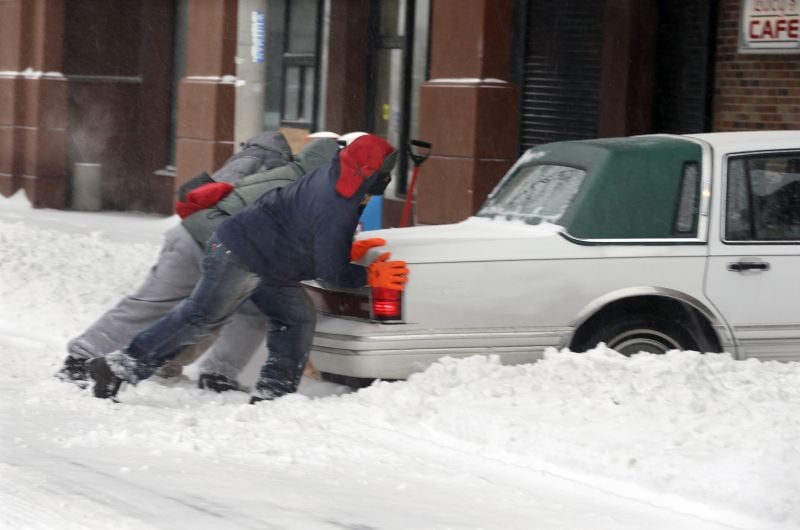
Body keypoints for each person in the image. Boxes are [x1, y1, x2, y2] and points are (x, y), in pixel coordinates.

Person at [86, 133, 408, 403]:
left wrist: (341, 248)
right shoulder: (339, 202)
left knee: (295, 318)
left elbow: (311, 234)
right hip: (239, 253)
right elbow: (330, 274)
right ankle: (118, 367)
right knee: (200, 318)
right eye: (386, 172)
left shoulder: (337, 177)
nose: (389, 179)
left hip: (269, 262)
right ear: (373, 173)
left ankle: (274, 395)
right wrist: (369, 275)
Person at [57, 132, 339, 392]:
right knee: (167, 304)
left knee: (233, 309)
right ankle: (83, 357)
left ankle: (205, 371)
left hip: (206, 240)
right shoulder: (283, 176)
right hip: (206, 242)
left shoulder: (269, 168)